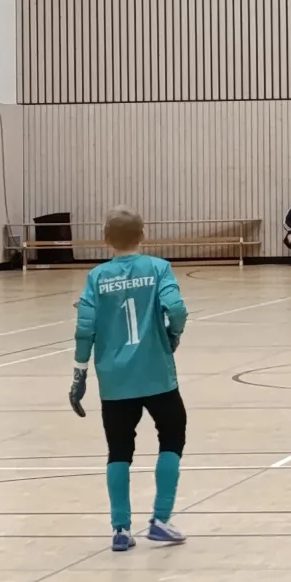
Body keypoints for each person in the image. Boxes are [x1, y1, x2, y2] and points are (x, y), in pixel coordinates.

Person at [69, 208, 190, 551]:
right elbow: (177, 309)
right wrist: (173, 335)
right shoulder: (158, 268)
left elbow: (85, 329)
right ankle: (161, 519)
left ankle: (120, 529)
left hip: (114, 380)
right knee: (172, 437)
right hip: (157, 374)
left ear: (105, 239)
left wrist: (79, 374)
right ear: (143, 235)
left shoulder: (96, 277)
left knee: (119, 450)